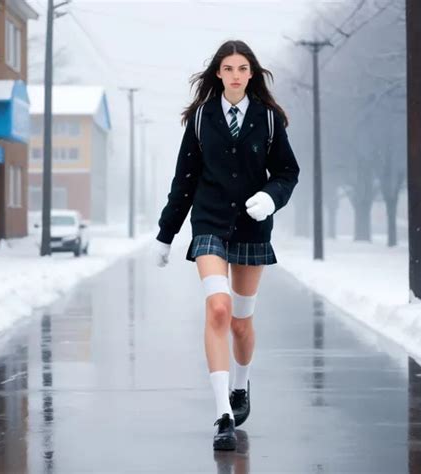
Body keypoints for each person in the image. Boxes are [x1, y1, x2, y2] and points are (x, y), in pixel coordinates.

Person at [149, 39, 300, 451]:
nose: (235, 75)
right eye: (228, 68)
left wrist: (270, 196)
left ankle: (240, 383)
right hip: (210, 221)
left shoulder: (269, 119)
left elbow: (288, 171)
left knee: (241, 322)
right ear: (218, 73)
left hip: (252, 226)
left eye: (242, 68)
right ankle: (223, 415)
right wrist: (166, 234)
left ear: (252, 74)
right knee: (219, 308)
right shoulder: (201, 119)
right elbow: (184, 181)